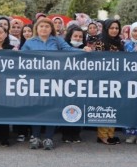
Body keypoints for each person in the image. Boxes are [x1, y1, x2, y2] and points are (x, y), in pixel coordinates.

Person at [22, 17, 90, 150]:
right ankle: (36, 137)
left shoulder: (57, 40)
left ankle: (49, 137)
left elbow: (69, 50)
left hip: (54, 79)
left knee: (51, 108)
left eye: (47, 27)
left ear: (51, 29)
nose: (44, 29)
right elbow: (21, 58)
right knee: (36, 108)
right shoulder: (30, 42)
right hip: (36, 80)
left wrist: (83, 50)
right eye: (41, 26)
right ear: (37, 28)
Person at [91, 19, 123, 145]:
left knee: (114, 107)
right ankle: (102, 135)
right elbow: (99, 61)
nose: (114, 30)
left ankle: (111, 134)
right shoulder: (100, 42)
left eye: (116, 28)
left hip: (117, 79)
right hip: (103, 79)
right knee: (105, 107)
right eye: (111, 28)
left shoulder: (119, 42)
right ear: (106, 29)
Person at [61, 25, 87, 143]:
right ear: (70, 37)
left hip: (80, 83)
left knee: (79, 107)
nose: (77, 38)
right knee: (66, 107)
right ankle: (66, 133)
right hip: (66, 82)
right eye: (75, 36)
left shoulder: (87, 49)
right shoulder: (63, 49)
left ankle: (76, 133)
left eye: (80, 37)